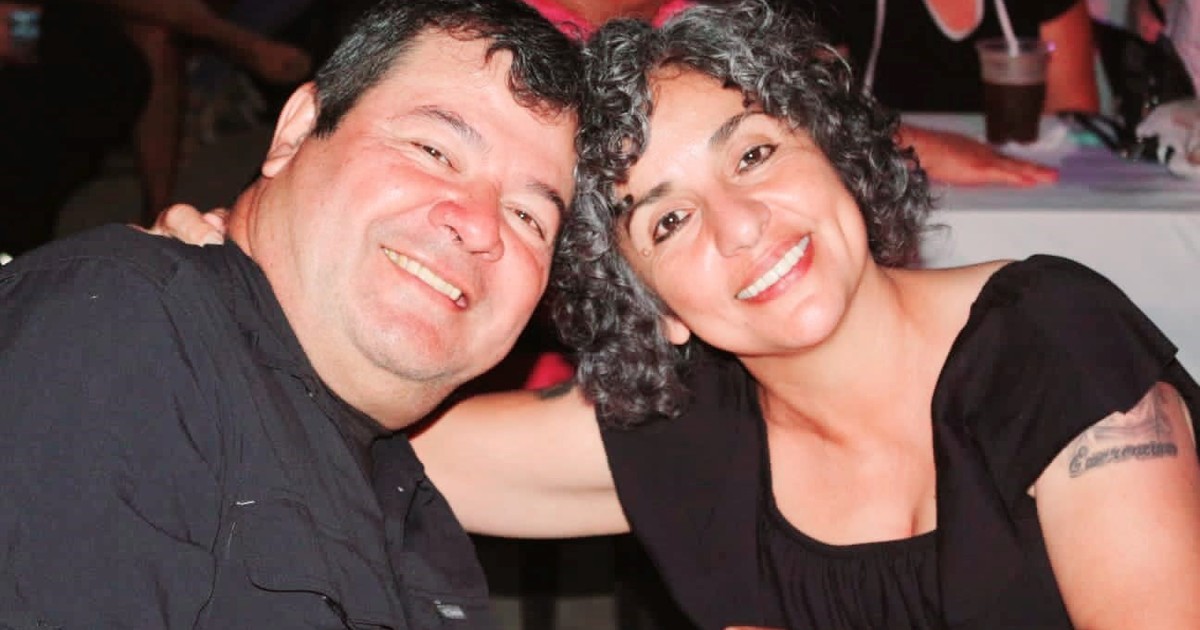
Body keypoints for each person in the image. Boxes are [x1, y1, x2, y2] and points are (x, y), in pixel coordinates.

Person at [156, 2, 1200, 628]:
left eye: (755, 153)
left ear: (834, 153)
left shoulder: (1048, 341)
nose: (740, 226)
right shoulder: (693, 436)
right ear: (652, 307)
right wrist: (229, 275)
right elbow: (317, 419)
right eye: (666, 220)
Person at [0, 0, 581, 626]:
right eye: (433, 150)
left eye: (529, 217)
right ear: (297, 130)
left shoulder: (411, 512)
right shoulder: (128, 337)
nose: (480, 226)